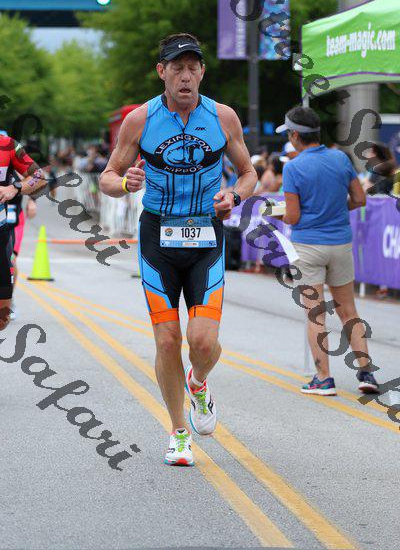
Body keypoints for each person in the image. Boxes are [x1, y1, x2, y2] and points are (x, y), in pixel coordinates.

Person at [100, 33, 257, 466]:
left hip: (207, 236)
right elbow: (107, 177)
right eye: (177, 68)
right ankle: (178, 432)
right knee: (168, 340)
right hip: (158, 238)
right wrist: (125, 183)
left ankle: (199, 383)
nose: (185, 77)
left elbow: (248, 173)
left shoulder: (222, 117)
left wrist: (234, 196)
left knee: (203, 342)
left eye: (192, 68)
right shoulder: (140, 119)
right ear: (162, 72)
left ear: (202, 72)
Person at [276, 106, 379, 395]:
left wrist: (277, 214)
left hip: (308, 245)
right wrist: (335, 210)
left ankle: (323, 378)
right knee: (348, 310)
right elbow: (359, 199)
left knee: (316, 314)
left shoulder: (292, 167)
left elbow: (293, 216)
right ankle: (367, 373)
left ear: (295, 136)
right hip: (340, 242)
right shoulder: (340, 158)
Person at [0, 133, 46, 330]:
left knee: (2, 320)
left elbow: (39, 178)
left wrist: (15, 187)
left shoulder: (8, 145)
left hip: (3, 232)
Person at [7, 171, 37, 320]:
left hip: (13, 222)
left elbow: (36, 178)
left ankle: (9, 300)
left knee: (10, 260)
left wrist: (32, 200)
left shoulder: (15, 163)